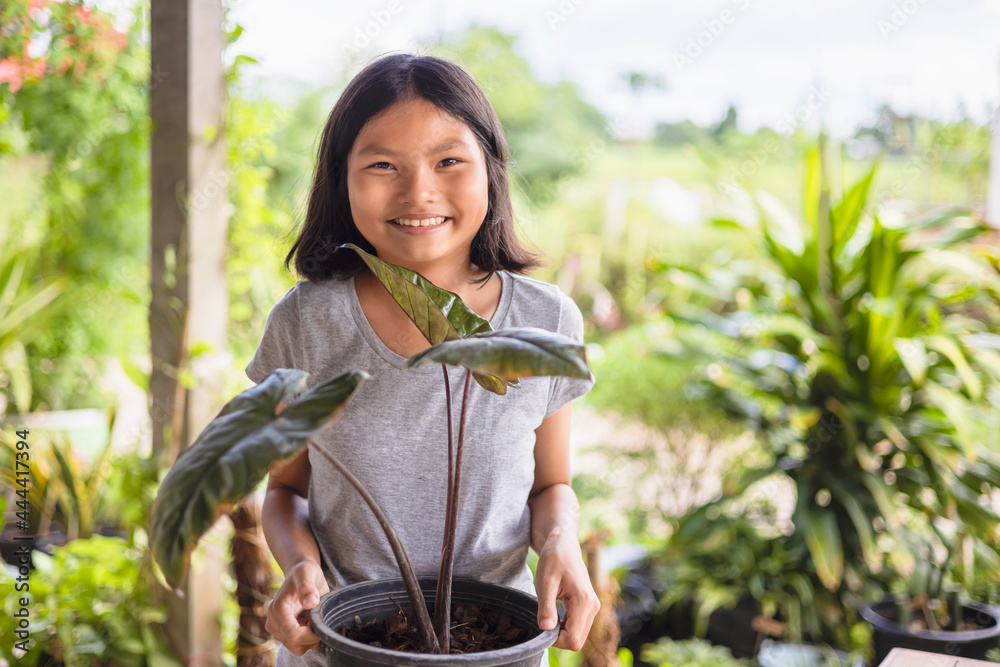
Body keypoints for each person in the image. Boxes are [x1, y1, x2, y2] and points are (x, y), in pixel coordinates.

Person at [247, 52, 599, 667]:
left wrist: (561, 543)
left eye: (449, 161)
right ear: (341, 179)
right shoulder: (306, 322)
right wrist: (301, 567)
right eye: (383, 164)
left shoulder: (543, 323)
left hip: (497, 642)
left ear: (490, 168)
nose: (419, 191)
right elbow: (285, 491)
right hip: (344, 646)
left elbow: (551, 485)